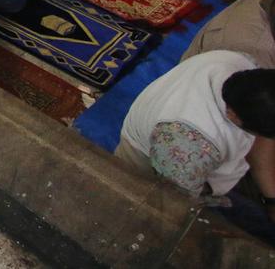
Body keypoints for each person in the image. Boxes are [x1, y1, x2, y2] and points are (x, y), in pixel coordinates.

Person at [118, 51, 275, 245]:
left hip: (202, 169)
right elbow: (173, 210)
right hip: (162, 179)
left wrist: (271, 199)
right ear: (234, 116)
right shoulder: (186, 149)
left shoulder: (241, 68)